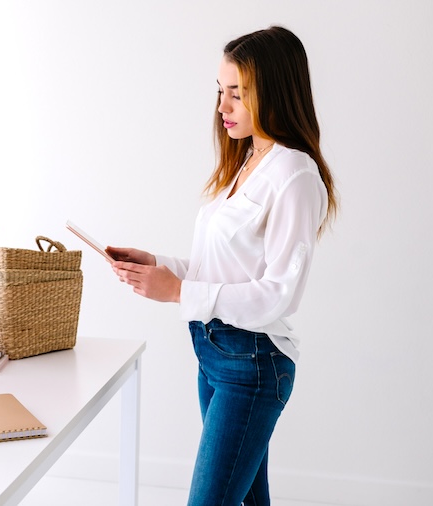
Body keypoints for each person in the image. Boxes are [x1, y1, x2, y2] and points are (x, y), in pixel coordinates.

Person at [107, 26, 338, 506]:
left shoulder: (294, 174)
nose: (222, 106)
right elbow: (225, 266)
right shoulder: (250, 159)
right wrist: (161, 265)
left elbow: (279, 292)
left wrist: (176, 291)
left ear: (273, 91)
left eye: (237, 93)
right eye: (220, 91)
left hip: (252, 363)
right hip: (213, 354)